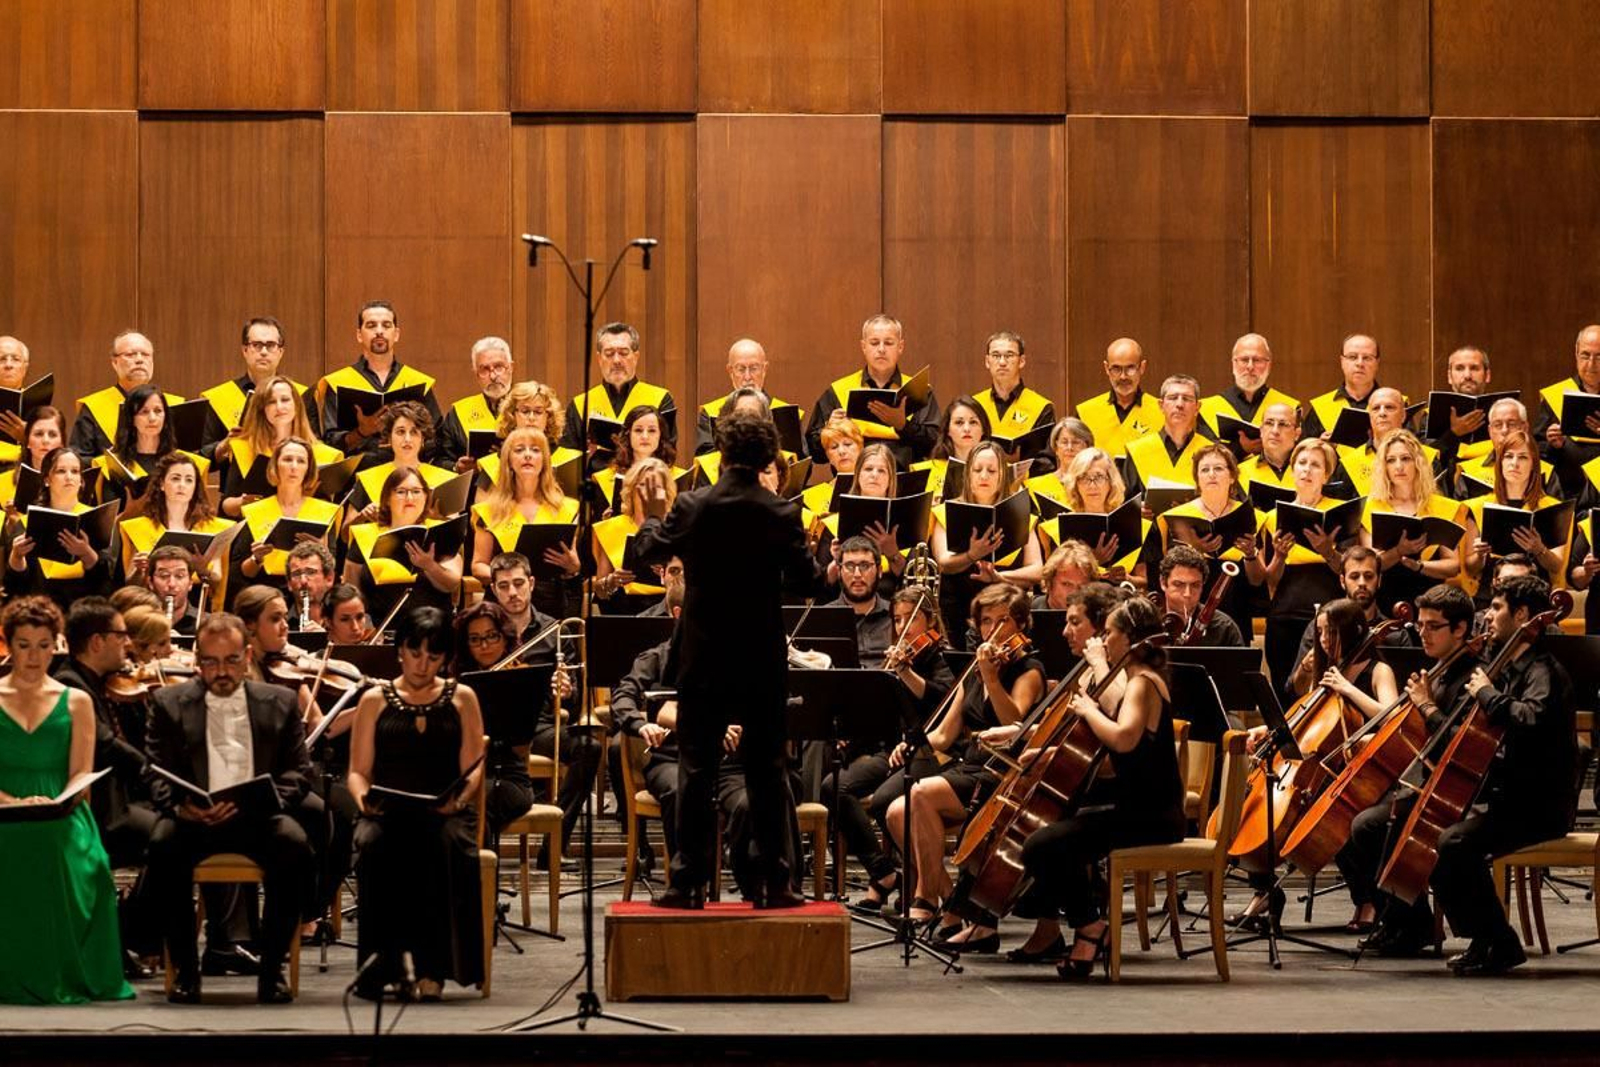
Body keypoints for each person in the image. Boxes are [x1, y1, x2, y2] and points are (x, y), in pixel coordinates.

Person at [632, 410, 825, 909]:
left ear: (721, 454)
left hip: (703, 656)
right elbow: (810, 584)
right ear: (767, 457)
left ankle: (686, 882)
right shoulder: (780, 513)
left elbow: (647, 551)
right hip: (760, 656)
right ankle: (775, 882)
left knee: (696, 769)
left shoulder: (694, 505)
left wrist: (654, 510)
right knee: (767, 769)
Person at [143, 613, 316, 1004]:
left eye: (232, 660)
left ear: (247, 655)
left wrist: (267, 801)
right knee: (162, 844)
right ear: (196, 661)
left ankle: (271, 972)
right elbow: (153, 771)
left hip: (256, 818)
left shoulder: (281, 701)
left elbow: (299, 772)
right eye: (210, 661)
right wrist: (181, 808)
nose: (221, 671)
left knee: (295, 844)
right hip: (194, 820)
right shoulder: (168, 703)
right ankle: (187, 972)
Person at [1016, 595, 1185, 978]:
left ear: (1130, 639)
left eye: (1109, 632)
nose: (1104, 640)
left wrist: (1090, 710)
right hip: (1137, 806)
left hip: (1151, 815)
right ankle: (1085, 925)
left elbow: (1123, 739)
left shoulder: (1143, 683)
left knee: (1044, 845)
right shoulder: (1141, 680)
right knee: (1054, 835)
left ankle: (1090, 928)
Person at [1429, 575, 1577, 976]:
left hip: (1539, 806)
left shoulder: (1543, 670)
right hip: (1511, 798)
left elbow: (1530, 718)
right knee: (1439, 846)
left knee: (1455, 843)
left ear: (1523, 615)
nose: (1488, 615)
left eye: (1496, 608)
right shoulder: (1508, 666)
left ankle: (1500, 943)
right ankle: (1487, 939)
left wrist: (1487, 694)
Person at [885, 583, 1045, 945]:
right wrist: (912, 744)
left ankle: (928, 899)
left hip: (1002, 770)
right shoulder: (976, 666)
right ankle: (949, 902)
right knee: (897, 812)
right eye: (986, 621)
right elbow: (944, 734)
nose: (992, 630)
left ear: (1020, 623)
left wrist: (991, 676)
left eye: (1002, 621)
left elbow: (1014, 724)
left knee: (921, 795)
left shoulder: (1028, 669)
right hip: (969, 765)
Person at [0, 596, 134, 1005]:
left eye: (44, 644)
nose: (34, 655)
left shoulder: (75, 700)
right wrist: (12, 803)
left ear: (56, 644)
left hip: (61, 810)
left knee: (70, 853)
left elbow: (81, 774)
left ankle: (65, 969)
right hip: (2, 809)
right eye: (24, 645)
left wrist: (55, 802)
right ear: (9, 645)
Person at [346, 607, 485, 1000]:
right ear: (400, 651)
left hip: (444, 809)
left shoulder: (463, 697)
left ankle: (434, 968)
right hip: (388, 809)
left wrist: (459, 798)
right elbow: (358, 771)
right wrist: (363, 800)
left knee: (449, 845)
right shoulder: (375, 699)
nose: (423, 665)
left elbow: (474, 766)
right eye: (415, 652)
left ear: (445, 658)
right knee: (373, 844)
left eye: (434, 656)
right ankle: (382, 967)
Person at [1342, 584, 1481, 955]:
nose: (1423, 633)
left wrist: (1425, 705)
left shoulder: (1474, 676)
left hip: (1457, 788)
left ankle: (1410, 923)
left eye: (1433, 626)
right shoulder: (1439, 670)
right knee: (1355, 820)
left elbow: (1459, 741)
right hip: (1425, 779)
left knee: (1371, 825)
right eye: (1420, 625)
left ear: (1461, 629)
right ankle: (1403, 921)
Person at [840, 587, 956, 914]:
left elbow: (941, 700)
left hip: (931, 753)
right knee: (835, 787)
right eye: (898, 619)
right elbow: (883, 714)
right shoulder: (900, 658)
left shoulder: (939, 655)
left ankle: (921, 884)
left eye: (912, 618)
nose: (904, 625)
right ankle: (885, 873)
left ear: (930, 619)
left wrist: (904, 672)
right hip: (895, 749)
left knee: (882, 802)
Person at [480, 552, 599, 853]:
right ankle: (482, 854)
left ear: (532, 583)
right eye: (504, 586)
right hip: (495, 730)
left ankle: (554, 842)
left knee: (590, 748)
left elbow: (571, 707)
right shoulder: (483, 632)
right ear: (494, 590)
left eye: (519, 583)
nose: (513, 592)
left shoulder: (556, 632)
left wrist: (566, 692)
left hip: (541, 727)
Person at [1256, 439, 1352, 697]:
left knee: (1326, 690)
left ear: (1327, 474)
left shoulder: (1339, 512)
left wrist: (1328, 552)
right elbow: (1270, 579)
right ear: (1292, 469)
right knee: (1285, 690)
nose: (1307, 470)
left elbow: (1350, 572)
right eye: (1301, 463)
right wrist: (1279, 555)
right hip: (1284, 616)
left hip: (1329, 617)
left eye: (1315, 465)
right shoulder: (1273, 516)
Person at [931, 440, 1043, 648]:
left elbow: (1037, 570)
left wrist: (999, 577)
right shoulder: (947, 510)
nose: (984, 476)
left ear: (1002, 476)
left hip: (1006, 607)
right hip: (958, 606)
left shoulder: (1020, 513)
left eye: (992, 471)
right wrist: (973, 555)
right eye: (977, 470)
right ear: (968, 475)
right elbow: (944, 562)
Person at [804, 314, 941, 469]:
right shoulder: (838, 390)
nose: (881, 349)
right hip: (852, 487)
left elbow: (937, 446)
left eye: (889, 343)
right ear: (863, 346)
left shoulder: (918, 391)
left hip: (906, 485)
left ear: (900, 347)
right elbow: (814, 454)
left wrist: (904, 426)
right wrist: (829, 429)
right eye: (874, 343)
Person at [472, 428, 581, 619]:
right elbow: (478, 565)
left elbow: (573, 565)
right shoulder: (490, 510)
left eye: (536, 450)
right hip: (501, 605)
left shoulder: (566, 508)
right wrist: (507, 579)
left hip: (551, 604)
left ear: (545, 461)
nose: (528, 455)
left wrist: (573, 567)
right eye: (519, 450)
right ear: (508, 461)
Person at [1154, 442, 1260, 638]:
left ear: (1232, 477)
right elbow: (1167, 571)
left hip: (1237, 606)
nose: (1212, 474)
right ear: (1197, 479)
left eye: (1219, 468)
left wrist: (1251, 553)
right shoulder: (1177, 517)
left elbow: (1257, 579)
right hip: (1189, 606)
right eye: (1205, 470)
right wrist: (1195, 549)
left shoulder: (1247, 514)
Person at [317, 301, 442, 461]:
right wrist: (361, 432)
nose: (379, 331)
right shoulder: (339, 383)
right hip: (358, 477)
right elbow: (329, 444)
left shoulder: (417, 382)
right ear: (359, 335)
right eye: (371, 325)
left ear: (396, 334)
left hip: (408, 476)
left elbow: (437, 436)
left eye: (386, 325)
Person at [1360, 429, 1463, 613]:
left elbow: (1453, 566)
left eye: (1405, 458)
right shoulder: (1371, 506)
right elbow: (1370, 566)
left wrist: (1419, 566)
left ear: (1418, 463)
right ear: (1384, 467)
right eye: (1391, 460)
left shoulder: (1440, 506)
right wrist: (1399, 551)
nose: (1398, 466)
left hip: (1431, 602)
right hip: (1384, 603)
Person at [1287, 546, 1412, 696]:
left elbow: (1405, 692)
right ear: (1342, 581)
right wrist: (1305, 667)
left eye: (1368, 576)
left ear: (1379, 580)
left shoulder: (1397, 634)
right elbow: (1295, 690)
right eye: (1354, 576)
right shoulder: (1322, 627)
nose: (1361, 583)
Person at [343, 466, 464, 620]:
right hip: (379, 632)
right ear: (387, 498)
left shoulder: (442, 532)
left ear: (426, 496)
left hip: (432, 629)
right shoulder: (365, 535)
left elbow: (452, 584)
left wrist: (429, 565)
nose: (410, 498)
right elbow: (351, 592)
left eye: (416, 491)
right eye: (401, 492)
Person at [1461, 429, 1570, 599]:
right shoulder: (1476, 507)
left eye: (1523, 457)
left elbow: (1557, 565)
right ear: (1500, 462)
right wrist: (1480, 555)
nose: (1515, 463)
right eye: (1509, 456)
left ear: (1534, 463)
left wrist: (1539, 549)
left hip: (1535, 594)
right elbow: (1470, 568)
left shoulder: (1552, 507)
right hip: (1490, 594)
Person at [217, 374, 344, 519]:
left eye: (285, 400)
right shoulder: (245, 448)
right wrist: (243, 502)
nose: (279, 407)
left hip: (302, 533)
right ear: (262, 409)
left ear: (296, 405)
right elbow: (227, 504)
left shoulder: (323, 455)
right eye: (271, 402)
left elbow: (327, 509)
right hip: (257, 530)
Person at [560, 322, 678, 471]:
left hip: (643, 483)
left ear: (636, 356)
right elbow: (567, 463)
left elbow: (668, 452)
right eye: (609, 354)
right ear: (599, 358)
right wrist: (587, 455)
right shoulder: (581, 404)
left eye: (623, 353)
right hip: (595, 487)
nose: (616, 360)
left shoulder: (661, 399)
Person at [199, 317, 320, 461]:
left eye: (270, 345)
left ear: (280, 351)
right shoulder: (219, 397)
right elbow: (203, 459)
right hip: (239, 480)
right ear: (245, 350)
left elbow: (315, 448)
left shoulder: (301, 396)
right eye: (256, 345)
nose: (263, 351)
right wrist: (226, 445)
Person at [5, 447, 112, 608]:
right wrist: (17, 556)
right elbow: (16, 586)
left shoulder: (96, 518)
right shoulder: (28, 522)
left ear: (81, 480)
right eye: (61, 471)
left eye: (75, 471)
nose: (69, 477)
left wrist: (85, 552)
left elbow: (106, 581)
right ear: (47, 479)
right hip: (39, 609)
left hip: (84, 609)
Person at [117, 452, 232, 596]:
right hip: (152, 604)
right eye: (175, 479)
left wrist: (202, 569)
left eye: (189, 480)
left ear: (195, 487)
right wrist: (140, 571)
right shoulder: (141, 527)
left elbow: (217, 579)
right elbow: (130, 584)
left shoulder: (210, 527)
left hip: (195, 602)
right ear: (162, 484)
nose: (182, 485)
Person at [1035, 446, 1147, 587]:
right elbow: (1050, 583)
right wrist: (1093, 562)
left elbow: (1144, 581)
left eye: (1099, 477)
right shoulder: (1059, 527)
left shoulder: (1129, 522)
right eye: (1084, 478)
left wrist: (1127, 578)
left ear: (1111, 482)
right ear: (1075, 484)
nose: (1092, 485)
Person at [69, 330, 183, 462]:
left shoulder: (176, 405)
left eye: (145, 354)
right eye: (130, 354)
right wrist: (111, 463)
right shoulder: (94, 407)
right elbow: (79, 460)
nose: (139, 360)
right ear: (114, 362)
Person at [96, 383, 211, 506]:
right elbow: (109, 522)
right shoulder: (113, 465)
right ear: (132, 419)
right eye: (144, 412)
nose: (152, 418)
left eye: (158, 411)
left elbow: (200, 512)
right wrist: (129, 513)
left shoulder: (185, 462)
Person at [593, 457, 678, 614]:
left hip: (666, 610)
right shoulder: (612, 527)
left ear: (666, 493)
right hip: (622, 612)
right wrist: (612, 581)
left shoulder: (677, 527)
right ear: (631, 491)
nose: (649, 492)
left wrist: (670, 573)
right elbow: (599, 590)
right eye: (643, 485)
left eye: (656, 487)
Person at [347, 400, 456, 515]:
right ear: (389, 438)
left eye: (414, 432)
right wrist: (362, 517)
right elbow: (345, 530)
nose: (407, 439)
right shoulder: (367, 479)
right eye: (400, 432)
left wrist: (441, 519)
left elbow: (456, 527)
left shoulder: (445, 480)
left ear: (423, 438)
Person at [1199, 333, 1299, 459]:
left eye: (1257, 360)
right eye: (1244, 360)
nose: (1250, 366)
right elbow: (1203, 458)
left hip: (1273, 478)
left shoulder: (1290, 407)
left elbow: (1299, 454)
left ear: (1269, 365)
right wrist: (1240, 448)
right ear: (1234, 363)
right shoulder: (1207, 408)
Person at [695, 338, 798, 455]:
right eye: (741, 369)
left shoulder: (785, 413)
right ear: (730, 371)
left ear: (764, 369)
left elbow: (801, 464)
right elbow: (706, 461)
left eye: (754, 368)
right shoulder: (711, 413)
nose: (748, 377)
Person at [476, 380, 582, 492]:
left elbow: (576, 506)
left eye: (538, 412)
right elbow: (482, 506)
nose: (531, 418)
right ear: (512, 415)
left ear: (548, 417)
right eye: (525, 411)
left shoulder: (570, 461)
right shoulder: (493, 464)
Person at [1335, 387, 1437, 497]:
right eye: (1376, 408)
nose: (1382, 413)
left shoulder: (1427, 458)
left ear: (1403, 416)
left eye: (1389, 407)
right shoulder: (1350, 463)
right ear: (1369, 417)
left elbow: (1439, 507)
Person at [1535, 324, 1600, 496]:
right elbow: (1538, 455)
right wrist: (1553, 445)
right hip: (1566, 495)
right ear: (1576, 354)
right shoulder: (1556, 395)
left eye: (1599, 357)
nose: (1592, 364)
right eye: (1585, 355)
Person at [973, 331, 1055, 465]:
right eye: (996, 355)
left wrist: (1018, 465)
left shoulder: (1041, 407)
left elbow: (1048, 462)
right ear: (987, 362)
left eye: (1009, 355)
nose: (1002, 362)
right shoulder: (974, 405)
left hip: (1025, 484)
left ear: (1021, 361)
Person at [1123, 374, 1211, 499]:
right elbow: (1124, 504)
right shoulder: (1138, 450)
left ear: (1197, 407)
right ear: (1161, 406)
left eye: (1187, 399)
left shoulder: (1210, 452)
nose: (1179, 404)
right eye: (1173, 398)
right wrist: (1138, 510)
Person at [1075, 337, 1161, 460]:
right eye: (1116, 369)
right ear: (1106, 368)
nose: (1123, 376)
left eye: (1130, 368)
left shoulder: (1161, 412)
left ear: (1142, 367)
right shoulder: (1085, 412)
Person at [437, 336, 514, 471]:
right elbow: (440, 459)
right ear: (476, 374)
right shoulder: (459, 413)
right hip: (474, 488)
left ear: (511, 368)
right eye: (484, 369)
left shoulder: (528, 407)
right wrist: (456, 467)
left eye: (499, 367)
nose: (493, 376)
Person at [1418, 345, 1496, 470]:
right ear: (1449, 376)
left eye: (1474, 368)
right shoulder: (1430, 415)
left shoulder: (1502, 414)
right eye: (1459, 368)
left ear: (1487, 375)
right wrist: (1453, 434)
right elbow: (1423, 461)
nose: (1467, 375)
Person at [1156, 543, 1243, 646]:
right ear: (1163, 583)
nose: (1187, 594)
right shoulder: (1145, 623)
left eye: (1195, 585)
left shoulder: (1224, 628)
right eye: (1178, 584)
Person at [1303, 333, 1384, 440]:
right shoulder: (1321, 407)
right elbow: (1302, 453)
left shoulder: (1395, 405)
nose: (1360, 363)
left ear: (1377, 363)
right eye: (1352, 357)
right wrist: (1320, 446)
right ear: (1342, 361)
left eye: (1367, 358)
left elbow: (1411, 449)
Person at [915, 394, 991, 502]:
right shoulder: (926, 472)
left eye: (973, 422)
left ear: (983, 429)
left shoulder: (1001, 471)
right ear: (948, 430)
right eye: (959, 422)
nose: (966, 428)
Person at [0, 405, 69, 509]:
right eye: (38, 434)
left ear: (62, 443)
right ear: (27, 442)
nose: (45, 440)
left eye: (52, 435)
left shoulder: (73, 482)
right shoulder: (3, 484)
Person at [1236, 402, 1303, 504]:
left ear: (1297, 434)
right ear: (1261, 431)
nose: (1275, 431)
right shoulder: (1240, 473)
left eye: (1283, 424)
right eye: (1269, 423)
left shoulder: (1310, 470)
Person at [1022, 417, 1094, 509]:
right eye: (1064, 442)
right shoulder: (1033, 485)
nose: (1069, 447)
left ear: (1088, 447)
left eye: (1076, 442)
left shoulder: (1096, 485)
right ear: (1056, 448)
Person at [1033, 540, 1101, 611]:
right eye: (1066, 584)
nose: (1074, 592)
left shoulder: (1099, 617)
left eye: (1082, 586)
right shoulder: (1027, 613)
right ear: (1049, 583)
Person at [285, 542, 338, 630]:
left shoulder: (348, 618)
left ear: (329, 578)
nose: (303, 581)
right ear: (289, 583)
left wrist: (324, 640)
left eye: (311, 572)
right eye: (296, 574)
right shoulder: (277, 623)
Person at [0, 335, 34, 464]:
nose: (9, 365)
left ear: (25, 368)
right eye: (2, 359)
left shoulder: (42, 410)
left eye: (16, 359)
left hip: (23, 476)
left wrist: (29, 438)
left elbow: (55, 457)